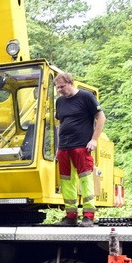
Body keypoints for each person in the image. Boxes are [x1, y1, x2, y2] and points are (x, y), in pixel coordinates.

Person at [53, 72, 106, 227]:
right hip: (64, 147)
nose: (60, 90)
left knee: (85, 179)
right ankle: (70, 217)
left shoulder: (86, 97)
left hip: (81, 146)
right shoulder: (60, 102)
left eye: (62, 86)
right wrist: (58, 147)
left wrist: (94, 140)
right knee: (66, 181)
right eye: (57, 87)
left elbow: (101, 117)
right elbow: (60, 124)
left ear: (71, 83)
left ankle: (88, 216)